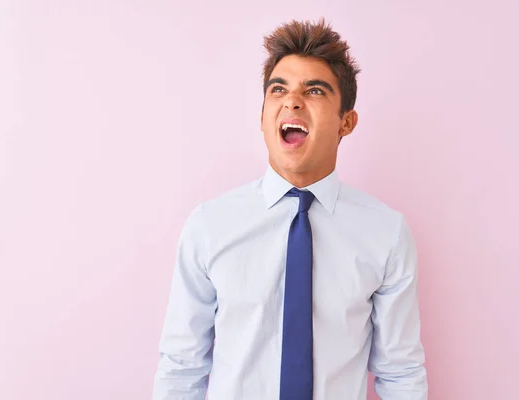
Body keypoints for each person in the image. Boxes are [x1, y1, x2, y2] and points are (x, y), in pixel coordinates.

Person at [152, 18, 428, 400]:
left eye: (314, 91)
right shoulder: (209, 226)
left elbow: (400, 372)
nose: (292, 100)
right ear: (263, 116)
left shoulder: (387, 233)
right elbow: (182, 367)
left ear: (346, 122)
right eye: (278, 89)